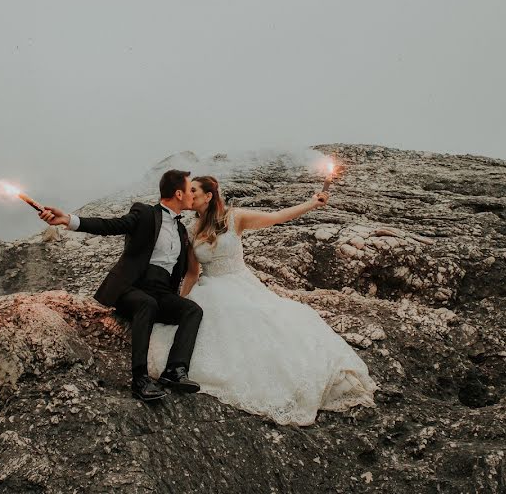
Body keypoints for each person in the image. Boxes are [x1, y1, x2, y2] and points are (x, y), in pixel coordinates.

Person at [147, 176, 378, 425]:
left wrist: (312, 203)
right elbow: (193, 273)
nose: (188, 194)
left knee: (264, 323)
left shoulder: (235, 217)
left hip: (240, 283)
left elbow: (278, 217)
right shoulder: (192, 230)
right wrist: (181, 303)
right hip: (210, 286)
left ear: (208, 196)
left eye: (193, 190)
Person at [39, 169, 202, 402]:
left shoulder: (181, 230)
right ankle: (140, 380)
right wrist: (68, 219)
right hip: (132, 288)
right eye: (189, 191)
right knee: (147, 304)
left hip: (162, 290)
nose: (192, 196)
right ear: (178, 193)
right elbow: (111, 225)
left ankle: (174, 371)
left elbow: (188, 269)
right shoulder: (145, 213)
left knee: (192, 310)